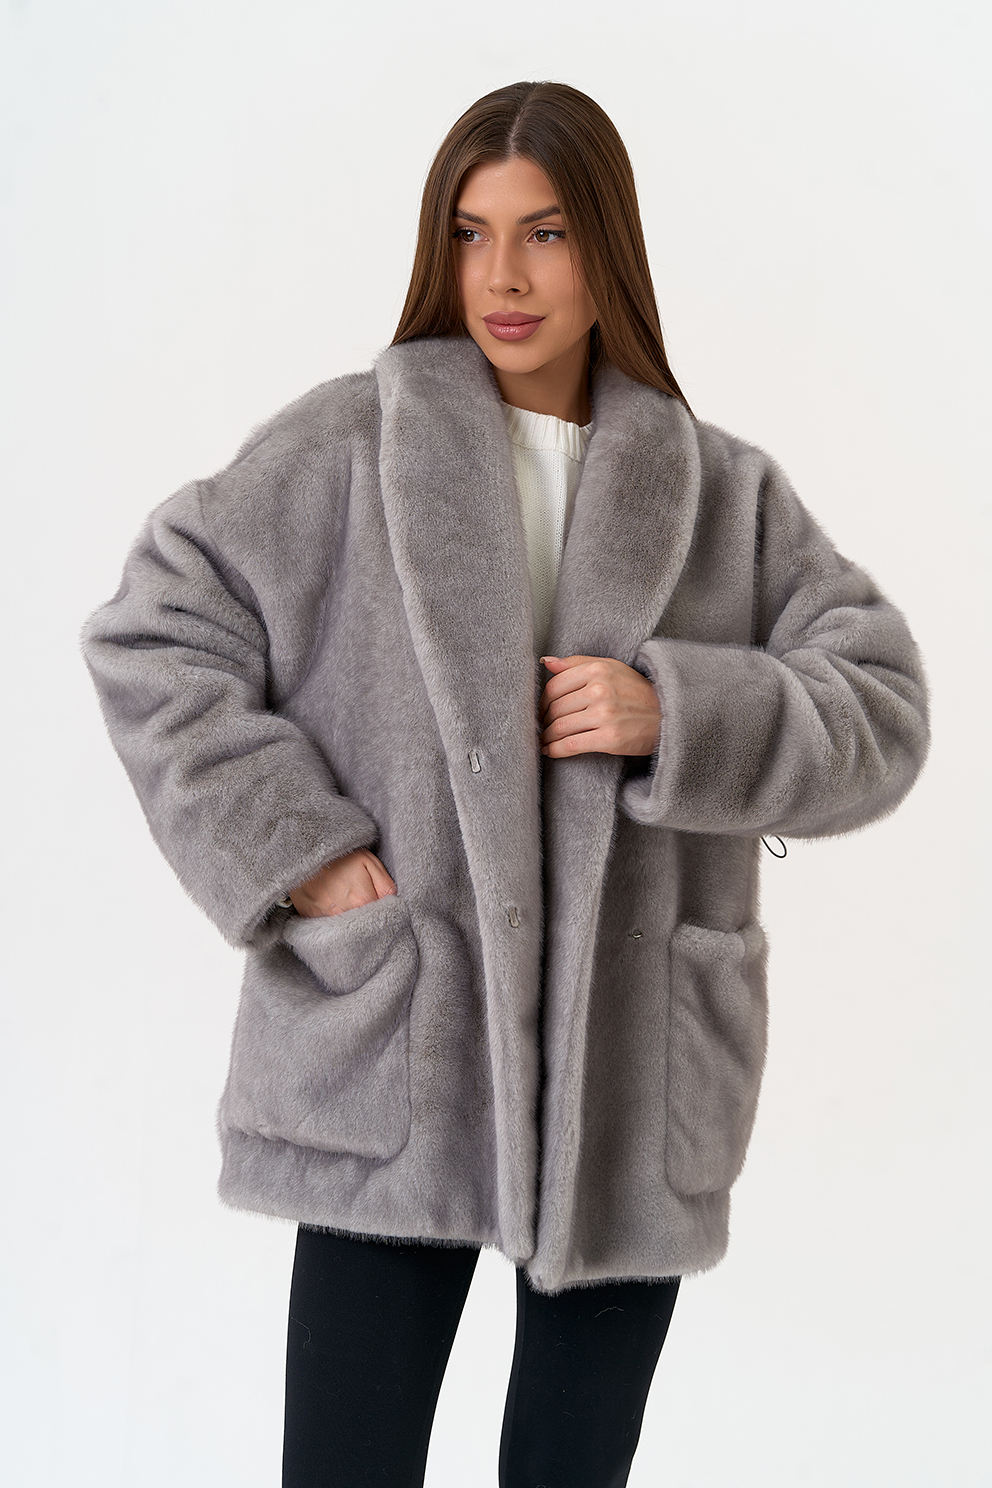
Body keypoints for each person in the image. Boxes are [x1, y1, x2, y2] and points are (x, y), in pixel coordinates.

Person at [81, 80, 929, 1488]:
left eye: (544, 234)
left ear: (607, 248)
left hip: (631, 1078)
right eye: (471, 236)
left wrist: (681, 715)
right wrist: (300, 853)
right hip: (398, 1038)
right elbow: (155, 630)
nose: (504, 278)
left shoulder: (723, 495)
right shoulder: (347, 449)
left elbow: (881, 704)